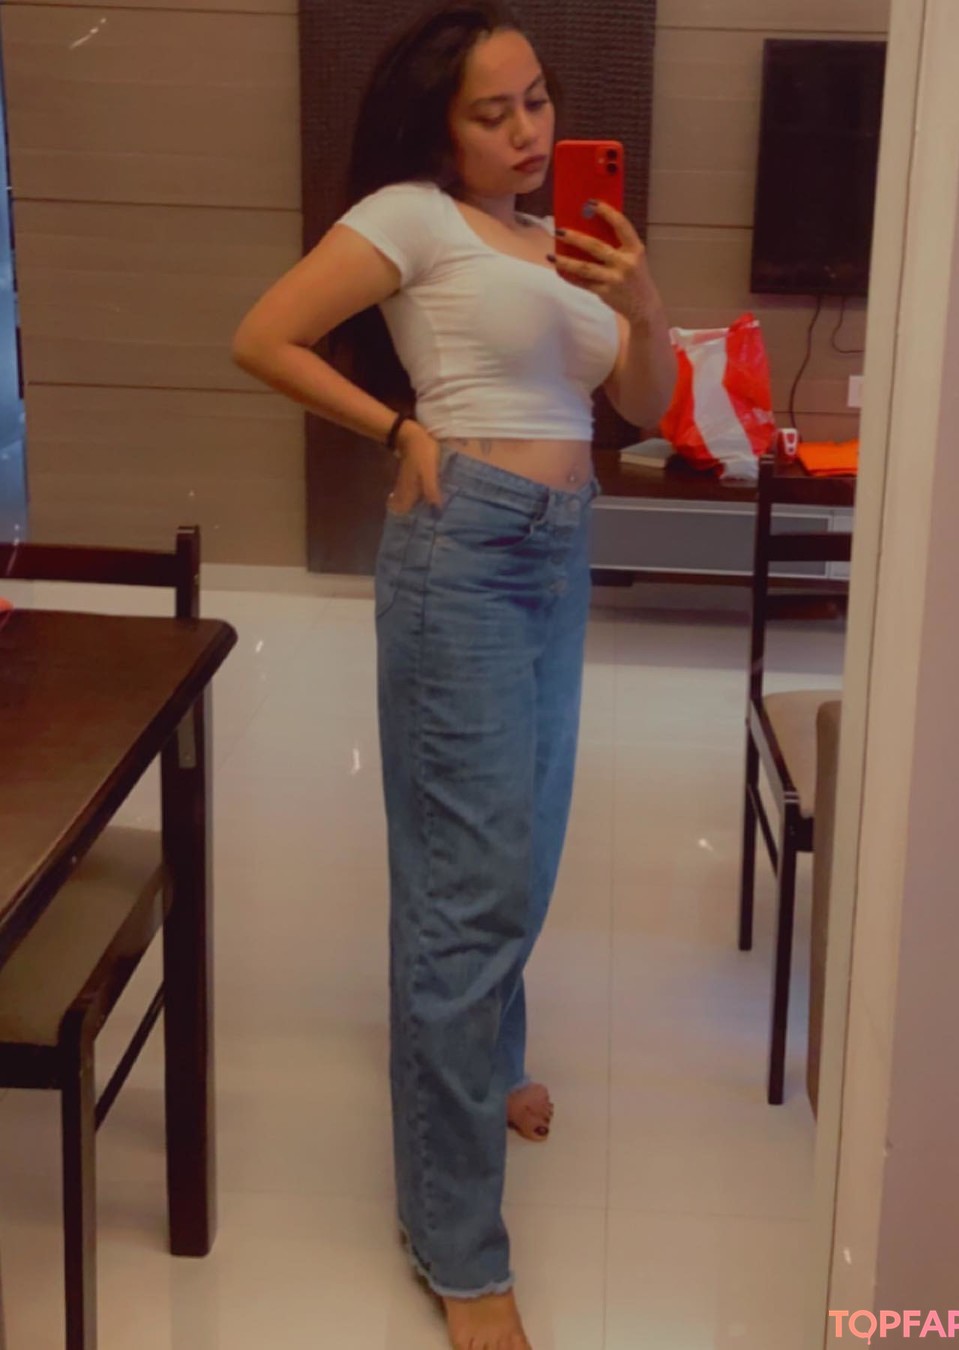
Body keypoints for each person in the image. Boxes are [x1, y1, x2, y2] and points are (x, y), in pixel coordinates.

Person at [232, 2, 675, 1345]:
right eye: (495, 111)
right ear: (440, 127)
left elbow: (644, 406)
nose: (529, 128)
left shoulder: (562, 243)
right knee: (466, 884)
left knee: (519, 851)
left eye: (537, 98)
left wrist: (642, 302)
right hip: (467, 550)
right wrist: (400, 429)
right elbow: (264, 335)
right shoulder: (409, 217)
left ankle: (487, 1066)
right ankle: (459, 1251)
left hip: (560, 547)